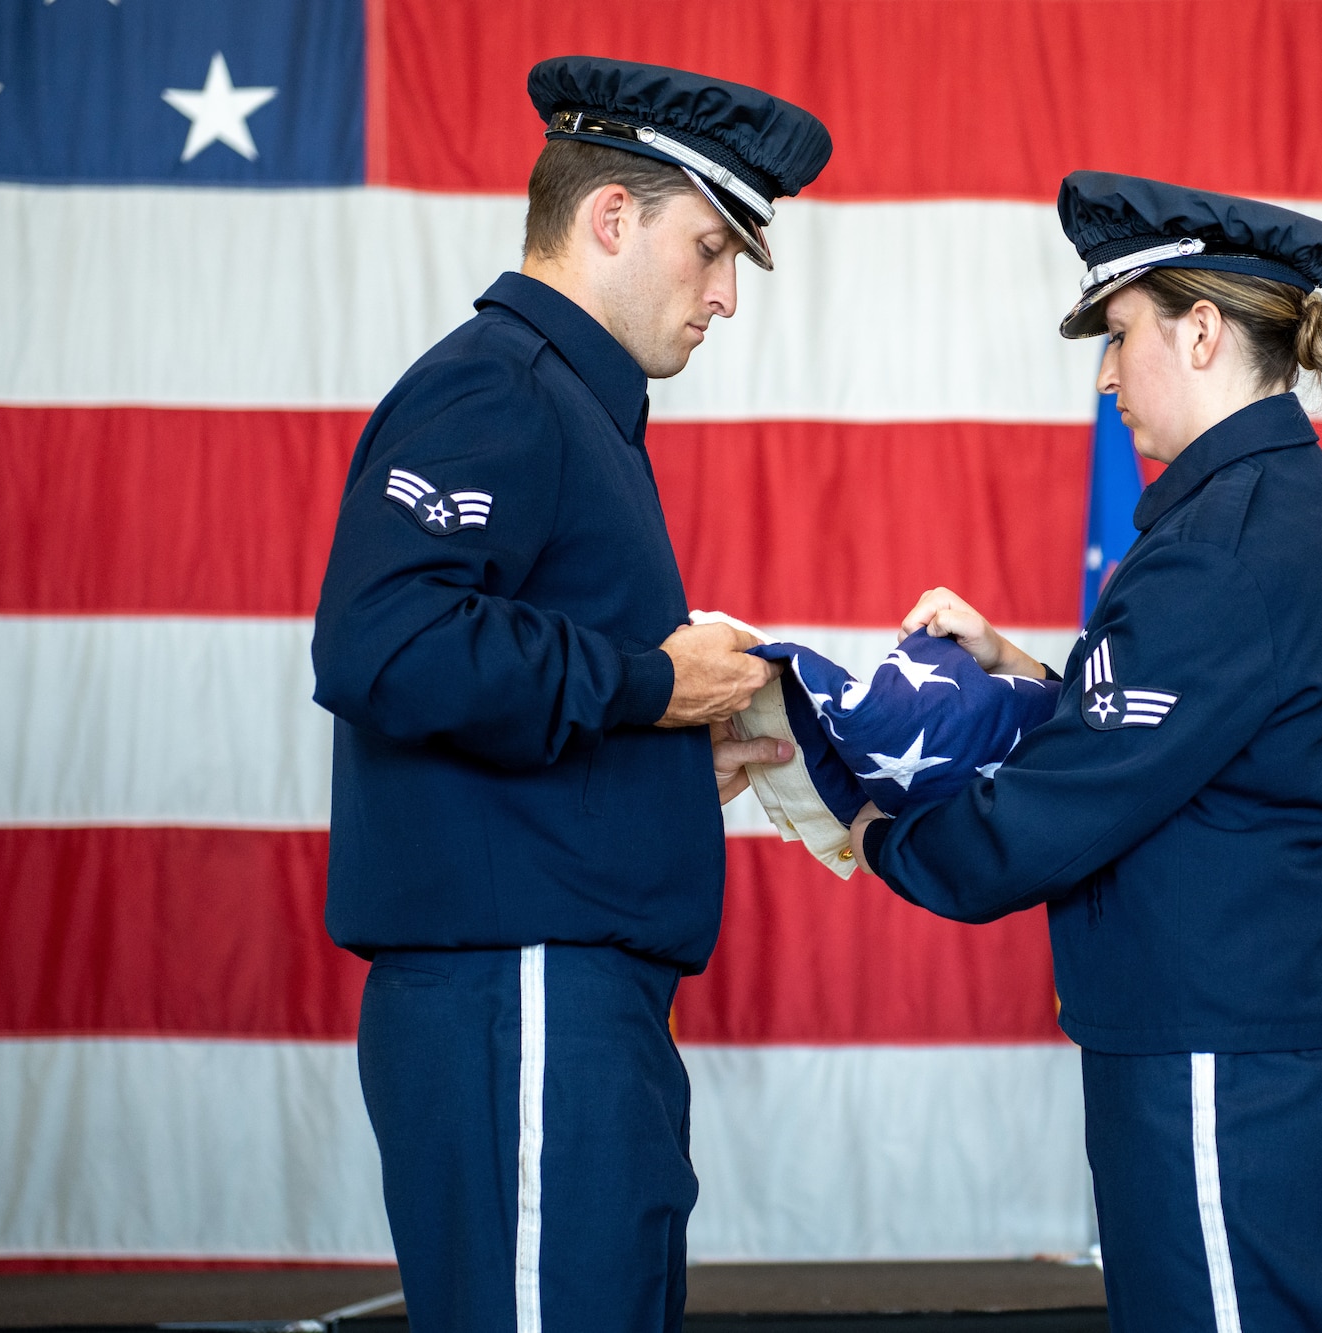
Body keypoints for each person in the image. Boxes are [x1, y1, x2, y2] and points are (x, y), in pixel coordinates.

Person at [311, 56, 830, 1332]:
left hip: (566, 989)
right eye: (710, 249)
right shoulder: (499, 385)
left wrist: (659, 748)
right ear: (610, 218)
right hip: (523, 990)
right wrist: (654, 683)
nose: (722, 296)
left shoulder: (572, 405)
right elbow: (380, 643)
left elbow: (508, 672)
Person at [848, 172, 1322, 1333]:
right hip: (1262, 1064)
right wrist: (1025, 674)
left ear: (1199, 331)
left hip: (1221, 1076)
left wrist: (866, 822)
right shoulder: (1271, 509)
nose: (1104, 376)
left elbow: (1056, 815)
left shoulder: (1223, 546)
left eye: (1118, 334)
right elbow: (1196, 753)